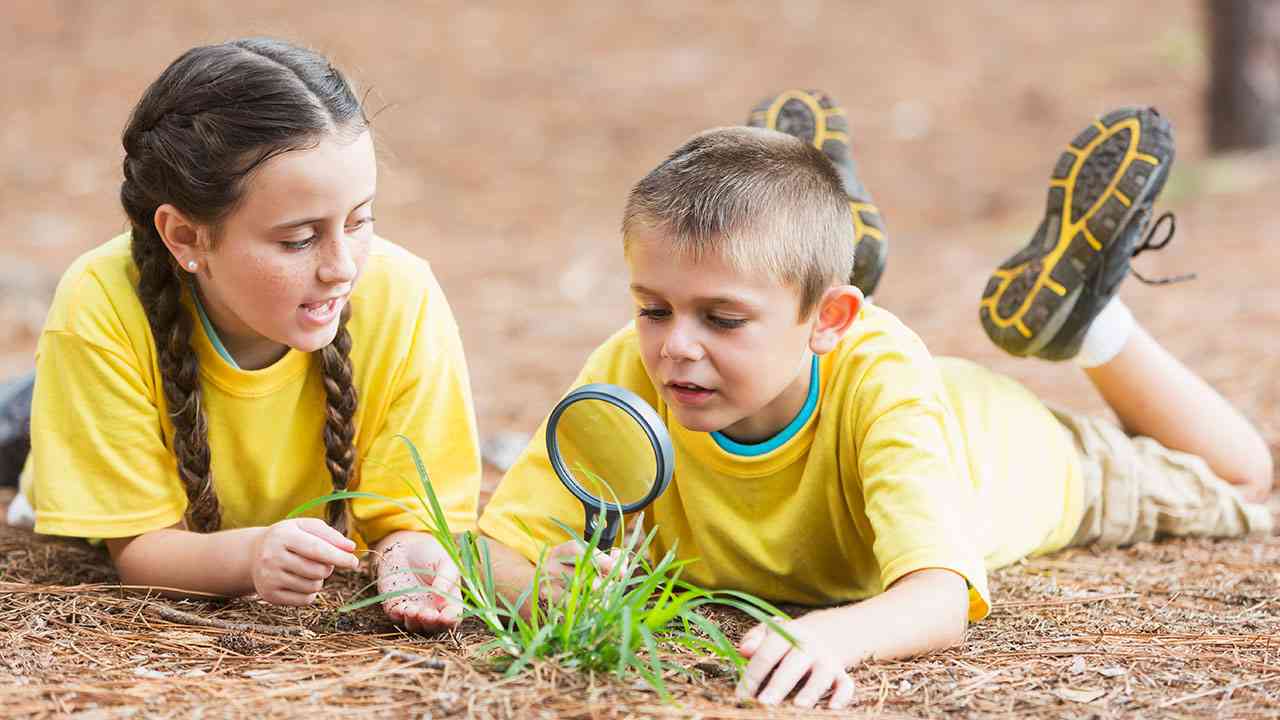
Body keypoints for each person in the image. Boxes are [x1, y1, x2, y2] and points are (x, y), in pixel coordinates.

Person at [475, 91, 1274, 710]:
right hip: (851, 388)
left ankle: (1090, 323)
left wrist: (834, 632)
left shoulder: (885, 378)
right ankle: (806, 279)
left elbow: (938, 602)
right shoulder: (626, 369)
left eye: (720, 317)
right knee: (786, 361)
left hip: (1005, 449)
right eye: (653, 308)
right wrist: (544, 580)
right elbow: (497, 546)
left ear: (831, 323)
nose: (673, 345)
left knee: (1242, 476)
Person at [11, 38, 480, 632]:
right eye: (298, 239)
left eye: (360, 220)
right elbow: (139, 548)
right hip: (81, 417)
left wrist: (407, 553)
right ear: (185, 237)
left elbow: (405, 516)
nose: (342, 266)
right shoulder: (98, 306)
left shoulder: (404, 296)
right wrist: (251, 556)